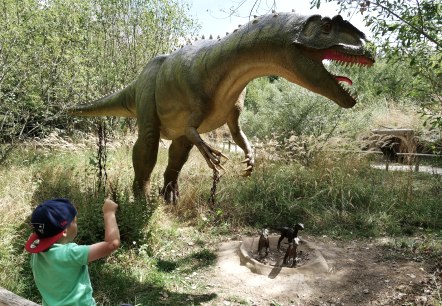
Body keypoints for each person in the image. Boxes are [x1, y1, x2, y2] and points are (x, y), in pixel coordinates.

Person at [25, 198, 120, 306]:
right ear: (65, 231)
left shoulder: (36, 255)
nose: (77, 223)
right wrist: (109, 213)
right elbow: (112, 244)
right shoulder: (70, 254)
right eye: (75, 221)